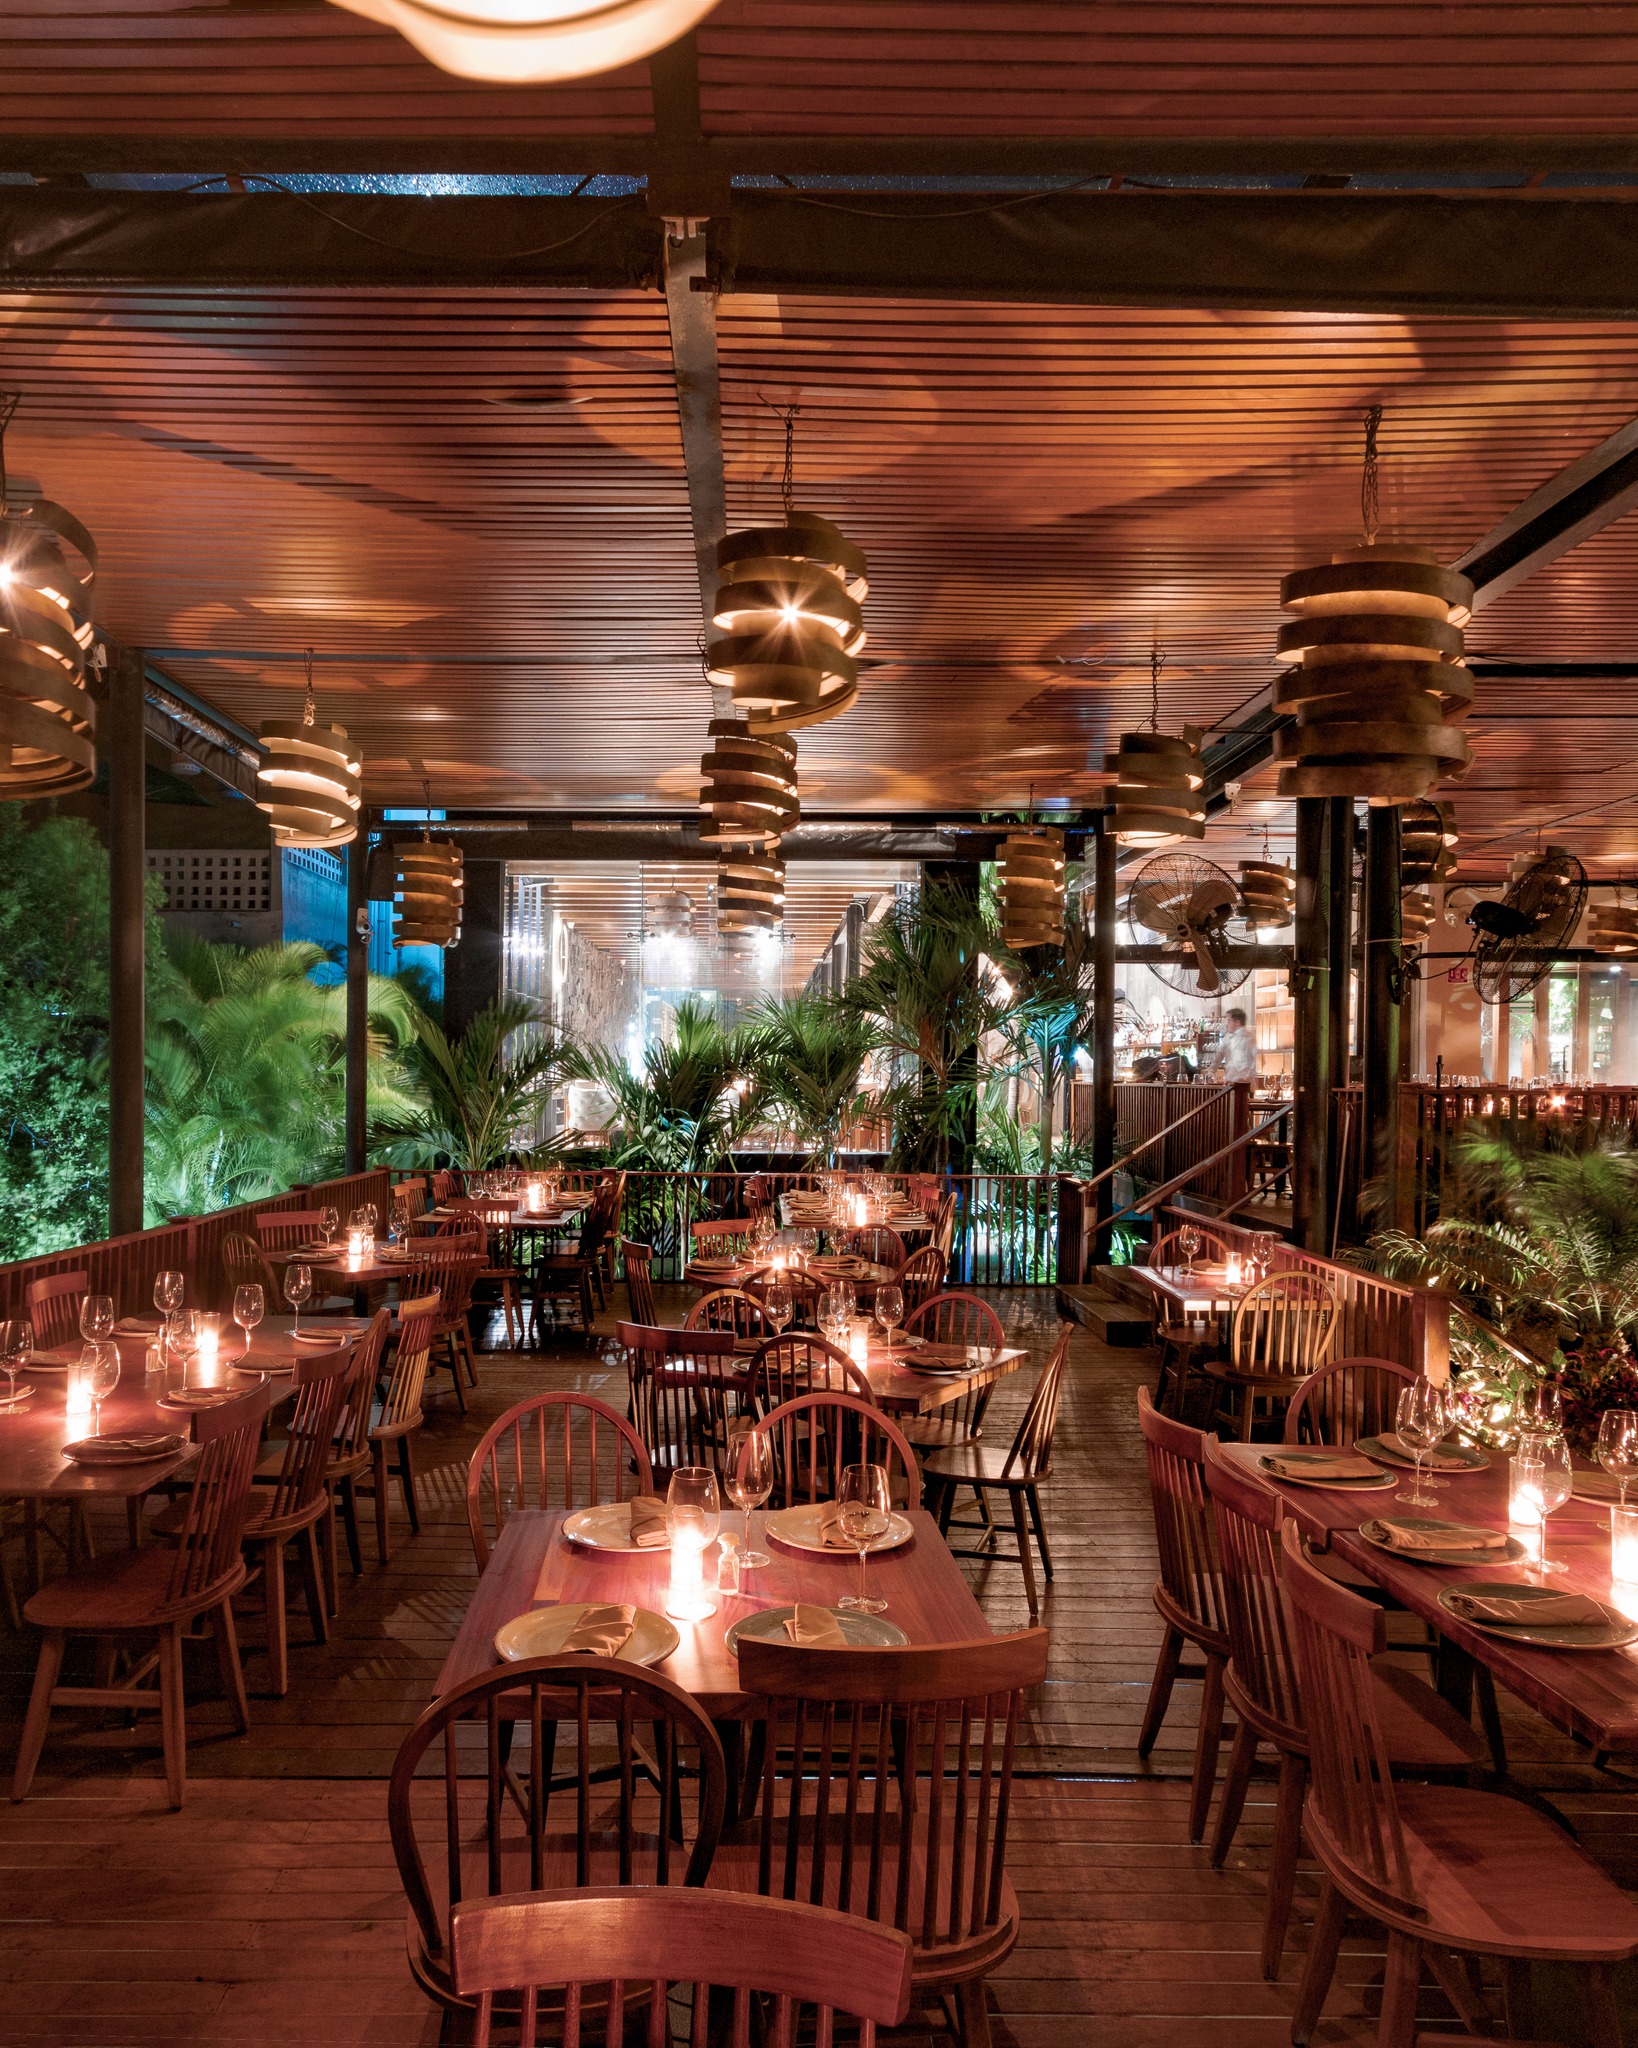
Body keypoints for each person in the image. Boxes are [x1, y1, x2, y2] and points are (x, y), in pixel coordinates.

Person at [1215, 1007, 1258, 1084]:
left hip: (1244, 1084)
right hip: (1230, 1081)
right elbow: (1218, 1056)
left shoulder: (1248, 1038)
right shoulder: (1227, 1037)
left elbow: (1258, 1059)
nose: (1226, 1024)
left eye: (1229, 1021)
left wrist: (1247, 1077)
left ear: (1237, 1022)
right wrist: (1210, 1071)